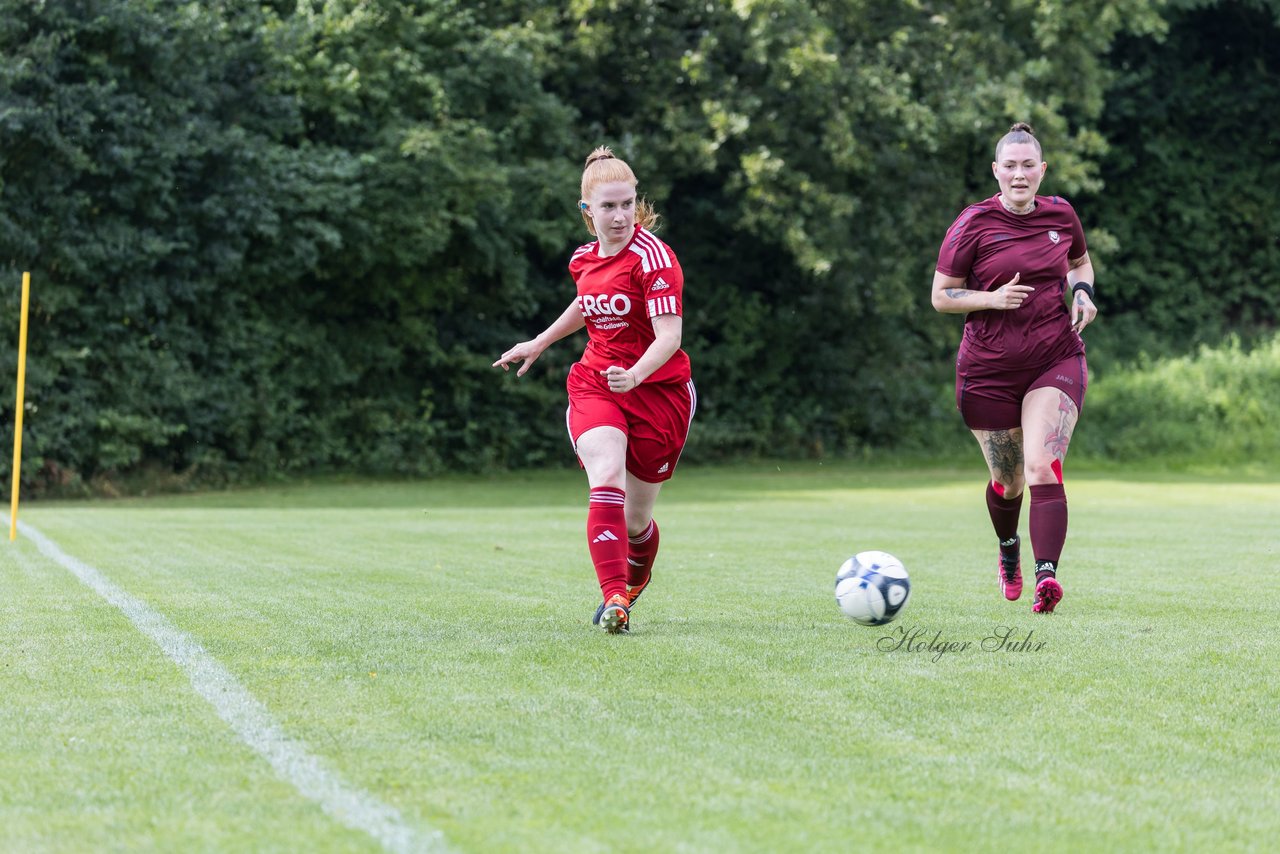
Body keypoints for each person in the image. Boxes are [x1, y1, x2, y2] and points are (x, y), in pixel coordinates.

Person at [494, 146, 696, 634]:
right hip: (597, 383)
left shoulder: (654, 258)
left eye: (627, 204)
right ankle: (613, 601)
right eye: (608, 206)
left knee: (635, 521)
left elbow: (670, 336)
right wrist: (540, 342)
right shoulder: (583, 258)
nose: (621, 215)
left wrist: (637, 375)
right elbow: (587, 306)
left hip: (659, 393)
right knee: (606, 471)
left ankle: (633, 579)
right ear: (587, 211)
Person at [931, 122, 1098, 614]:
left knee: (1041, 464)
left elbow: (1080, 263)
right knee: (1009, 482)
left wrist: (1083, 292)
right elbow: (941, 296)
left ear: (1042, 170)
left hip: (1055, 356)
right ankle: (1009, 551)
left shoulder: (1062, 214)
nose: (1020, 174)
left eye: (1029, 166)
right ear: (996, 171)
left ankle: (1048, 577)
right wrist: (993, 298)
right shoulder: (972, 224)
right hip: (988, 370)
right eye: (1011, 166)